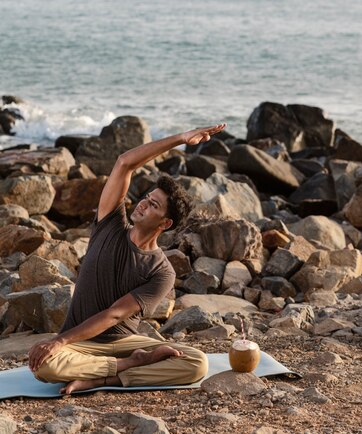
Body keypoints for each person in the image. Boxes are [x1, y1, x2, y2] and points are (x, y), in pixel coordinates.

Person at [28, 123, 226, 394]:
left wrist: (58, 341)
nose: (143, 204)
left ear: (165, 223)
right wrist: (180, 138)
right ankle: (129, 366)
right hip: (82, 339)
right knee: (45, 367)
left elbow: (114, 314)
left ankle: (106, 377)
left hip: (123, 341)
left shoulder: (162, 272)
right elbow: (124, 163)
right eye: (147, 198)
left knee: (196, 363)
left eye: (153, 205)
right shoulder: (110, 223)